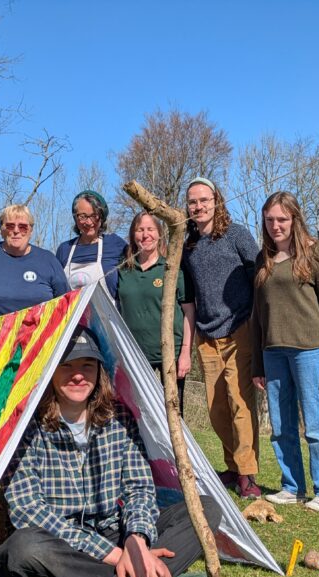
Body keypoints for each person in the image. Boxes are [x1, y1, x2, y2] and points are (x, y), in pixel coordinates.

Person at [0, 327, 222, 577]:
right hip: (61, 545)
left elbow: (140, 487)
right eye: (67, 366)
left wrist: (137, 542)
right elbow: (27, 509)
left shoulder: (119, 417)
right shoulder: (29, 428)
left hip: (115, 532)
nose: (77, 376)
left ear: (99, 371)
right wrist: (116, 556)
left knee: (206, 508)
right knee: (21, 552)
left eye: (87, 365)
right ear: (51, 370)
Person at [250, 191, 319, 513]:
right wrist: (256, 363)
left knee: (315, 425)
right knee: (281, 425)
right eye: (270, 219)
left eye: (282, 219)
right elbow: (257, 315)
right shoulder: (263, 259)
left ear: (295, 219)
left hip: (309, 351)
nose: (276, 225)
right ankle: (292, 487)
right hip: (273, 351)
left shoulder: (316, 253)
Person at [182, 177, 262, 498]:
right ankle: (232, 464)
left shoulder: (237, 235)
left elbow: (260, 274)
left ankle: (248, 475)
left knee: (240, 402)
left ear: (217, 201)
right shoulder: (188, 244)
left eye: (204, 200)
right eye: (192, 202)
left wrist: (260, 323)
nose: (198, 206)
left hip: (240, 327)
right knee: (216, 408)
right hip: (207, 333)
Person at [117, 212, 196, 414]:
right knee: (140, 412)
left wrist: (186, 353)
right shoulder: (124, 269)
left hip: (170, 354)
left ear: (160, 234)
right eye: (140, 230)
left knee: (173, 411)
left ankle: (175, 447)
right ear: (133, 234)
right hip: (135, 354)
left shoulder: (171, 268)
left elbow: (189, 311)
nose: (145, 235)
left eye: (150, 229)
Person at [55, 190, 128, 298]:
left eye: (94, 215)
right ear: (75, 218)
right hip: (74, 314)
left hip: (108, 314)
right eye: (83, 216)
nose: (89, 222)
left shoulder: (115, 244)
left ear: (102, 217)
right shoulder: (64, 249)